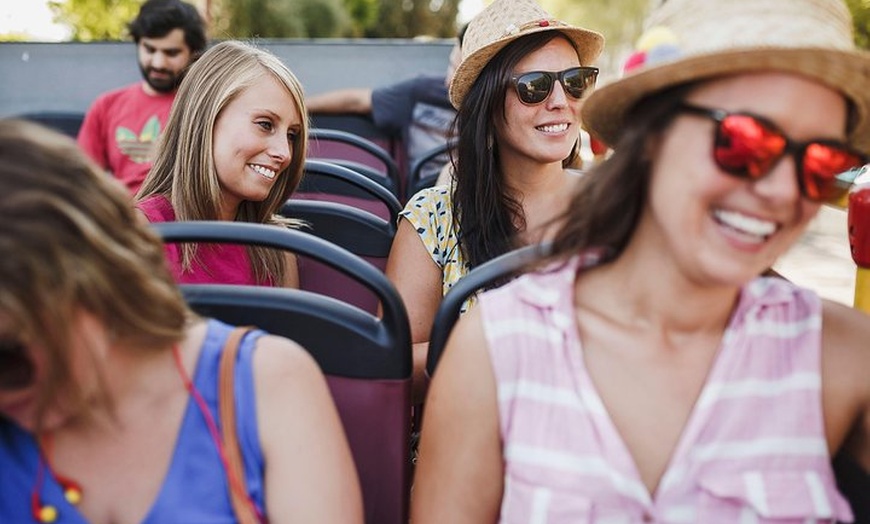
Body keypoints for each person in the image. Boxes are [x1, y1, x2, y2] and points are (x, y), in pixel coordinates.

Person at [412, 0, 870, 521]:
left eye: (822, 162)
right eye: (744, 141)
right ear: (650, 131)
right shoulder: (494, 351)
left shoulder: (842, 357)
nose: (783, 191)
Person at [0, 119, 363, 523]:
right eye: (265, 126)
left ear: (89, 280)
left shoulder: (268, 382)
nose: (284, 152)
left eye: (8, 357)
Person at [384, 0, 604, 402]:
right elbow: (391, 365)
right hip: (471, 439)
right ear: (486, 105)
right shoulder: (433, 217)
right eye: (534, 87)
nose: (560, 101)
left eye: (575, 81)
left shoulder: (613, 206)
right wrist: (516, 349)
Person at [136, 40, 307, 288]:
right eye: (265, 124)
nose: (285, 153)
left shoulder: (277, 250)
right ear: (205, 119)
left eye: (291, 135)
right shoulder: (139, 234)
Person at [77, 0, 207, 195]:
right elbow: (81, 180)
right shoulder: (106, 105)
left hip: (183, 219)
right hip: (121, 218)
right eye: (150, 49)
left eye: (171, 53)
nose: (158, 63)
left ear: (193, 53)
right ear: (138, 45)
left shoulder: (203, 105)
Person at [306, 25, 467, 183]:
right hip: (428, 196)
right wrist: (299, 107)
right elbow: (358, 101)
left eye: (459, 73)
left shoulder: (489, 114)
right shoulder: (422, 91)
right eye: (451, 67)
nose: (449, 81)